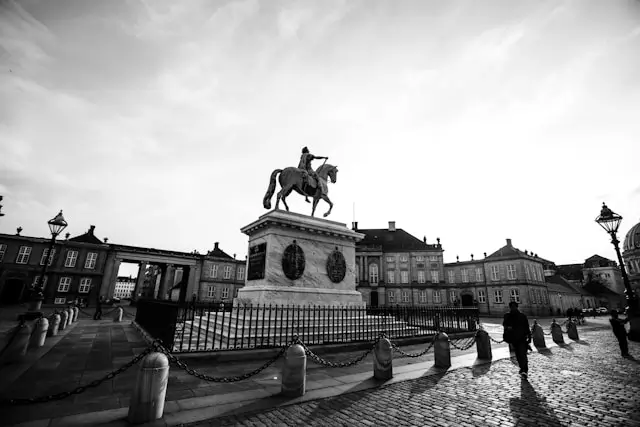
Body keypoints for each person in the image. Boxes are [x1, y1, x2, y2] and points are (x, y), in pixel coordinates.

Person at [503, 301, 532, 379]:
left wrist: (529, 337)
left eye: (514, 307)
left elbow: (527, 327)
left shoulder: (522, 316)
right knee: (518, 355)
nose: (513, 308)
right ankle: (522, 368)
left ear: (516, 307)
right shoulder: (507, 316)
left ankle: (524, 370)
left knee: (522, 354)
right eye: (511, 307)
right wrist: (508, 328)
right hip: (514, 339)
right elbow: (505, 325)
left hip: (522, 338)